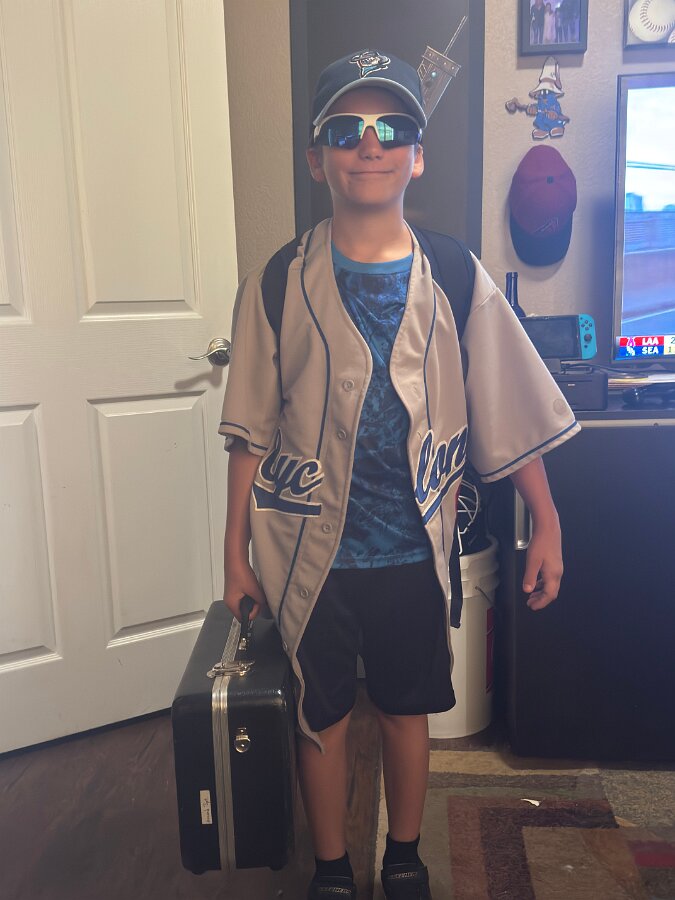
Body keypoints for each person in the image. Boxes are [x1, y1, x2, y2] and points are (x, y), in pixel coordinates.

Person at [219, 50, 579, 900]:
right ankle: (332, 868)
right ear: (317, 159)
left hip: (413, 550)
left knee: (406, 707)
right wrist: (234, 555)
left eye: (392, 128)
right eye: (346, 130)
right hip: (307, 552)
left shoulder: (452, 274)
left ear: (417, 155)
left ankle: (405, 857)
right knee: (319, 713)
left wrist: (546, 521)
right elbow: (248, 433)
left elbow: (507, 404)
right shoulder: (276, 283)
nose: (369, 144)